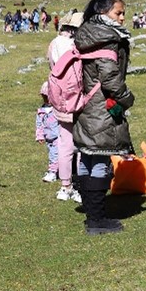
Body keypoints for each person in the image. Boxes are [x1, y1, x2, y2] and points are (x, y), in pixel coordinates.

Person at [71, 0, 135, 234]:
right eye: (118, 13)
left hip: (86, 105)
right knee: (100, 158)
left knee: (88, 156)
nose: (122, 17)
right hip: (102, 108)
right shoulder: (108, 39)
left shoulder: (87, 34)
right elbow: (109, 77)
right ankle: (97, 220)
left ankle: (91, 214)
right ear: (102, 13)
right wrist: (127, 99)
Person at [46, 11, 84, 203]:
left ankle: (65, 184)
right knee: (81, 143)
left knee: (64, 142)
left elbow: (51, 66)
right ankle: (79, 184)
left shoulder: (54, 43)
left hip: (59, 99)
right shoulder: (79, 47)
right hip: (79, 100)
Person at [35, 95, 61, 182]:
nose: (47, 100)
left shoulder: (57, 109)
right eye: (45, 97)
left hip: (58, 137)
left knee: (55, 155)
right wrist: (40, 136)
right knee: (52, 155)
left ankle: (53, 172)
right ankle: (55, 171)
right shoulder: (41, 111)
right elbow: (39, 124)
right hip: (48, 137)